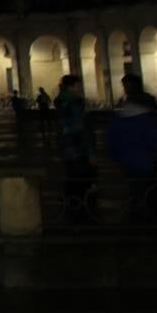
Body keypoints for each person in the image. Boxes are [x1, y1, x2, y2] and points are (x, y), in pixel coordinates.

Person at [107, 74, 157, 223]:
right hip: (147, 159)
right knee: (150, 191)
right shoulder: (146, 116)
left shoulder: (120, 116)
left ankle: (136, 217)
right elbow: (153, 138)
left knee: (135, 190)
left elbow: (112, 139)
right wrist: (156, 153)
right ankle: (151, 219)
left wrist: (116, 156)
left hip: (128, 159)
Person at [55, 74, 95, 224]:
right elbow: (82, 129)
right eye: (78, 86)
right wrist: (91, 151)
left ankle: (73, 211)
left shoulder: (61, 102)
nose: (80, 89)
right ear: (71, 87)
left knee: (72, 179)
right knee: (81, 182)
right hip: (78, 148)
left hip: (67, 148)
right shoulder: (74, 103)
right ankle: (81, 216)